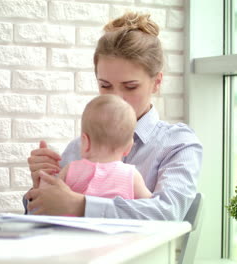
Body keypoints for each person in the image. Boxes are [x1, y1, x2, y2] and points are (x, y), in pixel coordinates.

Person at [25, 11, 203, 220]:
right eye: (105, 85)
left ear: (156, 82)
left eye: (130, 87)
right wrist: (42, 187)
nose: (117, 97)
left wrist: (81, 205)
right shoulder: (78, 148)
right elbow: (39, 220)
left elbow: (167, 214)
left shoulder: (177, 143)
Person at [39, 94, 152, 200]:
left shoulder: (70, 170)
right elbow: (150, 207)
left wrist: (45, 176)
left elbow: (49, 198)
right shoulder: (131, 176)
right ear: (128, 147)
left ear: (85, 142)